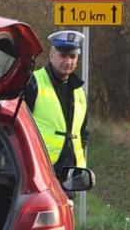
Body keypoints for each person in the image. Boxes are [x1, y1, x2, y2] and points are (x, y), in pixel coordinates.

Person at [24, 30, 88, 175]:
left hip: (70, 173)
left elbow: (83, 132)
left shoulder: (79, 92)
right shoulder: (33, 83)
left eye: (72, 56)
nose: (68, 61)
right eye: (63, 56)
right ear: (51, 55)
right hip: (39, 170)